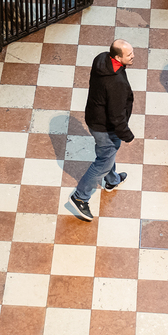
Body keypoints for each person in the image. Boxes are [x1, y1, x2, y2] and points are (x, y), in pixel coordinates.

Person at [72, 40, 135, 221]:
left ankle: (112, 180)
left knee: (107, 152)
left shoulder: (101, 59)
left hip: (94, 118)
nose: (133, 56)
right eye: (129, 54)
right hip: (105, 126)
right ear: (118, 57)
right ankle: (80, 197)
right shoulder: (116, 82)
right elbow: (117, 116)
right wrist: (127, 136)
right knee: (104, 161)